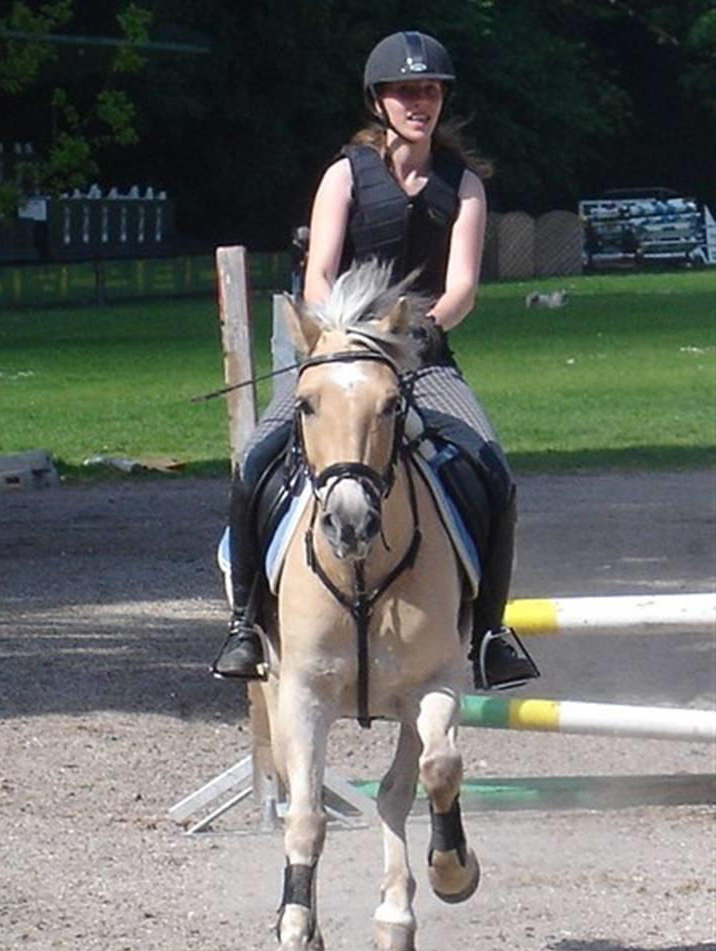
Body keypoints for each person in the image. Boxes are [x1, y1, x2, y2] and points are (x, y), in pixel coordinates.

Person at [212, 29, 538, 689]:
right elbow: (319, 276)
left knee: (493, 470)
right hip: (339, 357)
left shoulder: (463, 186)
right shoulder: (344, 175)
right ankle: (246, 624)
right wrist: (350, 343)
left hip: (425, 358)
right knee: (255, 462)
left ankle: (494, 634)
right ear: (379, 100)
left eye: (431, 91)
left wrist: (414, 340)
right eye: (407, 91)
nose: (421, 102)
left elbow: (462, 289)